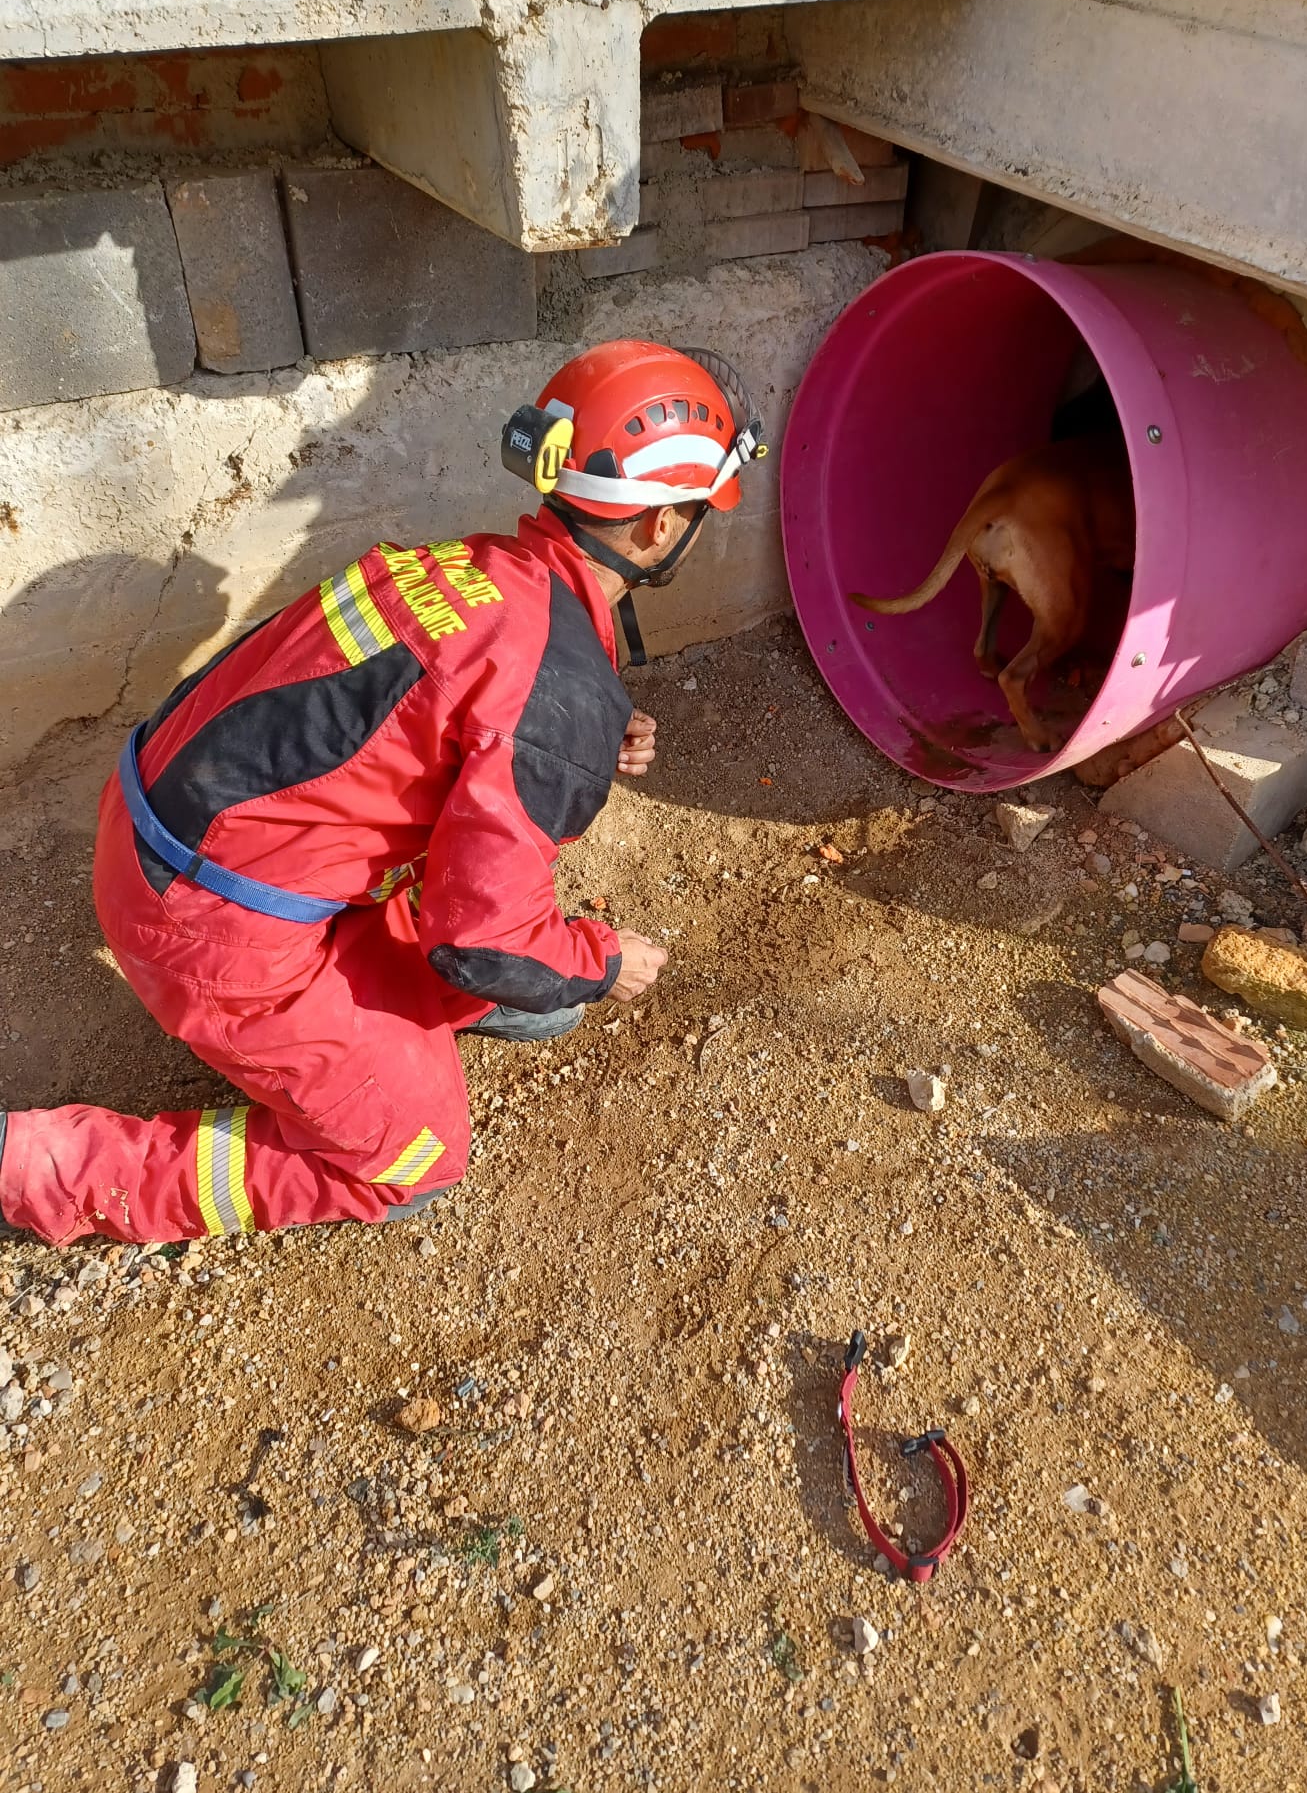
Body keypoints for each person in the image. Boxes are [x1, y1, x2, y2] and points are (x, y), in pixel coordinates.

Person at [0, 340, 765, 1246]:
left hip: (165, 835)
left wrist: (581, 731)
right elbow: (483, 940)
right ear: (658, 527)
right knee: (414, 1160)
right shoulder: (547, 691)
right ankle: (37, 1167)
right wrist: (602, 960)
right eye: (699, 511)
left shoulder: (469, 567)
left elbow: (436, 718)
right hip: (208, 926)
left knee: (537, 994)